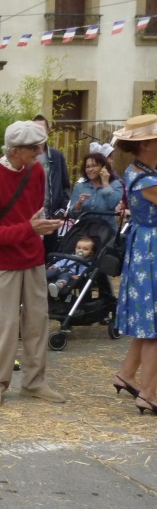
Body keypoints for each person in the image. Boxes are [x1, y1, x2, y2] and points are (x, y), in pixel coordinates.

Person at [0, 121, 64, 408]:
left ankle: (34, 382)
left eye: (40, 146)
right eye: (33, 148)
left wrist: (40, 228)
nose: (39, 152)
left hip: (33, 258)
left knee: (38, 322)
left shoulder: (36, 171)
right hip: (1, 263)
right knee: (2, 324)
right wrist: (29, 230)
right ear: (14, 150)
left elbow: (33, 211)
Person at [110, 114, 157, 416]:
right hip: (151, 251)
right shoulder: (147, 180)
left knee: (148, 325)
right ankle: (149, 394)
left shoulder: (138, 171)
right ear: (146, 145)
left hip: (146, 248)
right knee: (154, 329)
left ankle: (126, 375)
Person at [32, 115, 71, 255]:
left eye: (42, 129)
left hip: (51, 217)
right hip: (32, 218)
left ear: (48, 131)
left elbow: (65, 186)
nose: (39, 133)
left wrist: (62, 208)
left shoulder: (56, 156)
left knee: (50, 257)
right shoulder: (26, 157)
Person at [67, 152, 124, 231]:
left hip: (107, 233)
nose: (90, 169)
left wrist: (105, 183)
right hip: (84, 231)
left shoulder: (115, 185)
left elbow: (112, 204)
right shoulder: (80, 187)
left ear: (103, 168)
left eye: (94, 166)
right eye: (87, 167)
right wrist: (78, 204)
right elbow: (72, 214)